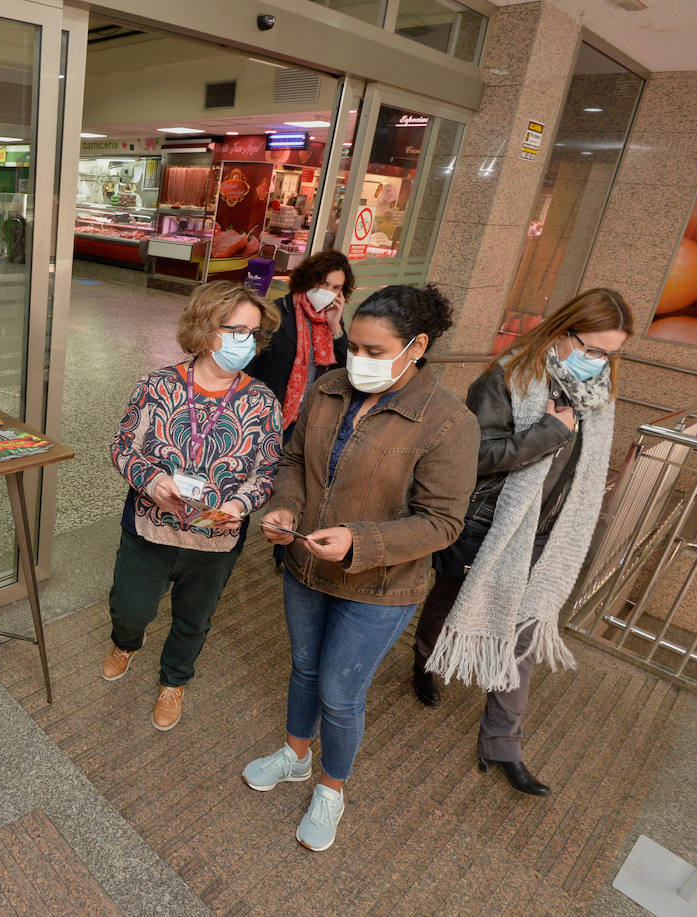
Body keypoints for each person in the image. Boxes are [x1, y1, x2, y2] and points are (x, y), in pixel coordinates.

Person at [242, 284, 480, 852]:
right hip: (307, 566)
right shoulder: (328, 388)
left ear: (416, 346)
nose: (359, 361)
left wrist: (358, 540)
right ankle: (296, 755)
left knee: (340, 691)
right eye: (355, 347)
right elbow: (294, 460)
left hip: (379, 585)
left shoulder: (448, 423)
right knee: (304, 668)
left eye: (376, 352)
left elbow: (442, 523)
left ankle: (332, 787)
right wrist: (285, 506)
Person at [414, 289, 633, 797]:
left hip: (548, 533)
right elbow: (476, 455)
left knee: (525, 635)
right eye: (593, 349)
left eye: (610, 354)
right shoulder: (506, 378)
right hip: (487, 522)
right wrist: (550, 432)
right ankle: (427, 661)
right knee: (449, 598)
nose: (599, 362)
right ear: (563, 331)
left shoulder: (596, 394)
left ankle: (502, 743)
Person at [105, 281, 284, 732]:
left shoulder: (263, 403)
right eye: (238, 330)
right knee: (131, 608)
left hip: (216, 539)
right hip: (150, 527)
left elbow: (267, 471)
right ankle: (126, 642)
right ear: (205, 329)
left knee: (194, 618)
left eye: (254, 334)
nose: (248, 342)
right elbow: (123, 445)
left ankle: (174, 680)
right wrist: (151, 480)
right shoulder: (158, 385)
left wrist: (240, 506)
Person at [243, 250, 354, 433]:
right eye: (323, 283)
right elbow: (249, 363)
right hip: (265, 415)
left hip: (306, 419)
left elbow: (343, 370)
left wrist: (336, 329)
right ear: (308, 279)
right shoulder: (276, 313)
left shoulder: (333, 319)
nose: (328, 292)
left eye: (336, 288)